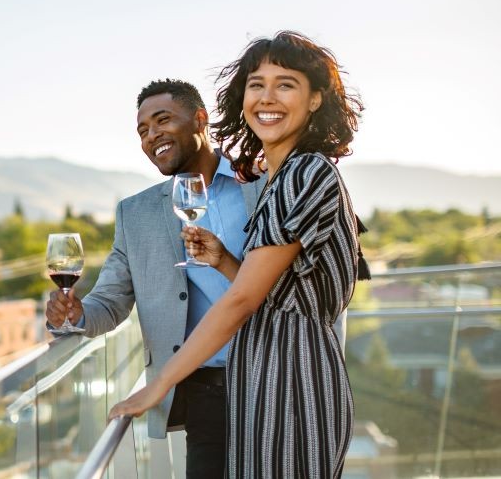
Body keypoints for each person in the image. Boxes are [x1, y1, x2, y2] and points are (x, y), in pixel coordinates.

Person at [109, 31, 369, 478]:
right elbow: (276, 288)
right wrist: (226, 261)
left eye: (285, 84)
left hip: (294, 380)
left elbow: (243, 301)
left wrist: (161, 383)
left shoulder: (304, 173)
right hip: (265, 380)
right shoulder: (280, 174)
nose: (267, 97)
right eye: (256, 84)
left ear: (313, 100)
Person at [45, 78, 265, 479]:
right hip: (204, 389)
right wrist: (75, 313)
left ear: (200, 119)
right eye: (143, 131)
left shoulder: (262, 184)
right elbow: (109, 303)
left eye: (163, 120)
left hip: (277, 373)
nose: (152, 136)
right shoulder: (137, 213)